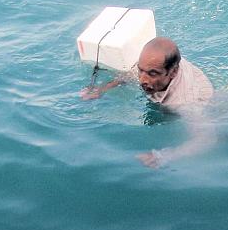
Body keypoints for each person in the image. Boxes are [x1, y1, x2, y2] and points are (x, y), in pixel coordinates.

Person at [81, 37, 216, 168]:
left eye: (152, 74)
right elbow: (134, 72)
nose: (142, 80)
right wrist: (102, 89)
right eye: (141, 70)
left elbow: (206, 139)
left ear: (173, 72)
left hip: (210, 104)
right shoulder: (156, 64)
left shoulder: (185, 103)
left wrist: (164, 156)